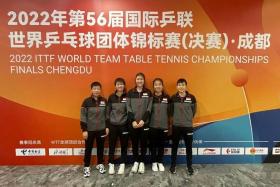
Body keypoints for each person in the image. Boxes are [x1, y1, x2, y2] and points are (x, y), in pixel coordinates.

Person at [80, 81, 109, 177]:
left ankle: (100, 164)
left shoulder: (104, 101)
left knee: (100, 148)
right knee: (88, 148)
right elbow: (83, 116)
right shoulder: (86, 101)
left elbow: (107, 115)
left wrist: (107, 127)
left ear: (100, 90)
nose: (96, 90)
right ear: (91, 90)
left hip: (101, 129)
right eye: (94, 88)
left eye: (98, 89)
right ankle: (87, 166)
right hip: (89, 130)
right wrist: (84, 130)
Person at [169, 78, 197, 175]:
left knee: (189, 147)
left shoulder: (192, 97)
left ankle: (189, 166)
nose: (181, 86)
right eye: (179, 85)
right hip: (176, 126)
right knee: (174, 146)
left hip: (188, 126)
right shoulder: (172, 98)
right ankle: (173, 165)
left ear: (186, 86)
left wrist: (187, 119)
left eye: (183, 84)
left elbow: (193, 112)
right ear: (177, 87)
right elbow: (171, 111)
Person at [127, 72, 153, 174]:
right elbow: (128, 108)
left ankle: (142, 162)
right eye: (138, 79)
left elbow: (149, 108)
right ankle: (136, 162)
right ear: (135, 80)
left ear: (144, 80)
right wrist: (133, 121)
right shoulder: (130, 92)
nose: (139, 81)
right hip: (133, 124)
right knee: (134, 144)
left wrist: (143, 120)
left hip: (144, 123)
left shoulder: (148, 92)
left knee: (143, 144)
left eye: (141, 79)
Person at [107, 78, 129, 175]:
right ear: (115, 86)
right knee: (112, 145)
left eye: (122, 84)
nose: (120, 86)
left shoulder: (128, 96)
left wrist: (127, 123)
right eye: (118, 84)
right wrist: (108, 125)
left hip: (124, 125)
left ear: (124, 86)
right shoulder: (111, 97)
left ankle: (122, 164)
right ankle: (111, 164)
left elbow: (129, 111)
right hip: (113, 126)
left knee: (124, 146)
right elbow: (108, 112)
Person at [149, 78, 171, 172]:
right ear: (153, 87)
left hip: (163, 126)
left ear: (162, 86)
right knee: (153, 145)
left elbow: (170, 112)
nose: (158, 86)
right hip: (152, 125)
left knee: (162, 145)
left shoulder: (167, 97)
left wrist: (168, 124)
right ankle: (154, 162)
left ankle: (160, 162)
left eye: (159, 84)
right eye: (156, 84)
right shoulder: (150, 97)